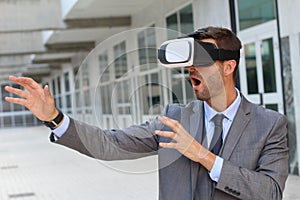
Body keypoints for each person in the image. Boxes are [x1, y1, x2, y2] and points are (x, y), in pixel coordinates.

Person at [5, 26, 288, 200]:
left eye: (201, 60)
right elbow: (109, 143)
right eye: (188, 62)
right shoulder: (174, 119)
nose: (191, 69)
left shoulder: (270, 125)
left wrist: (202, 154)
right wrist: (54, 117)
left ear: (228, 67)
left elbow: (271, 193)